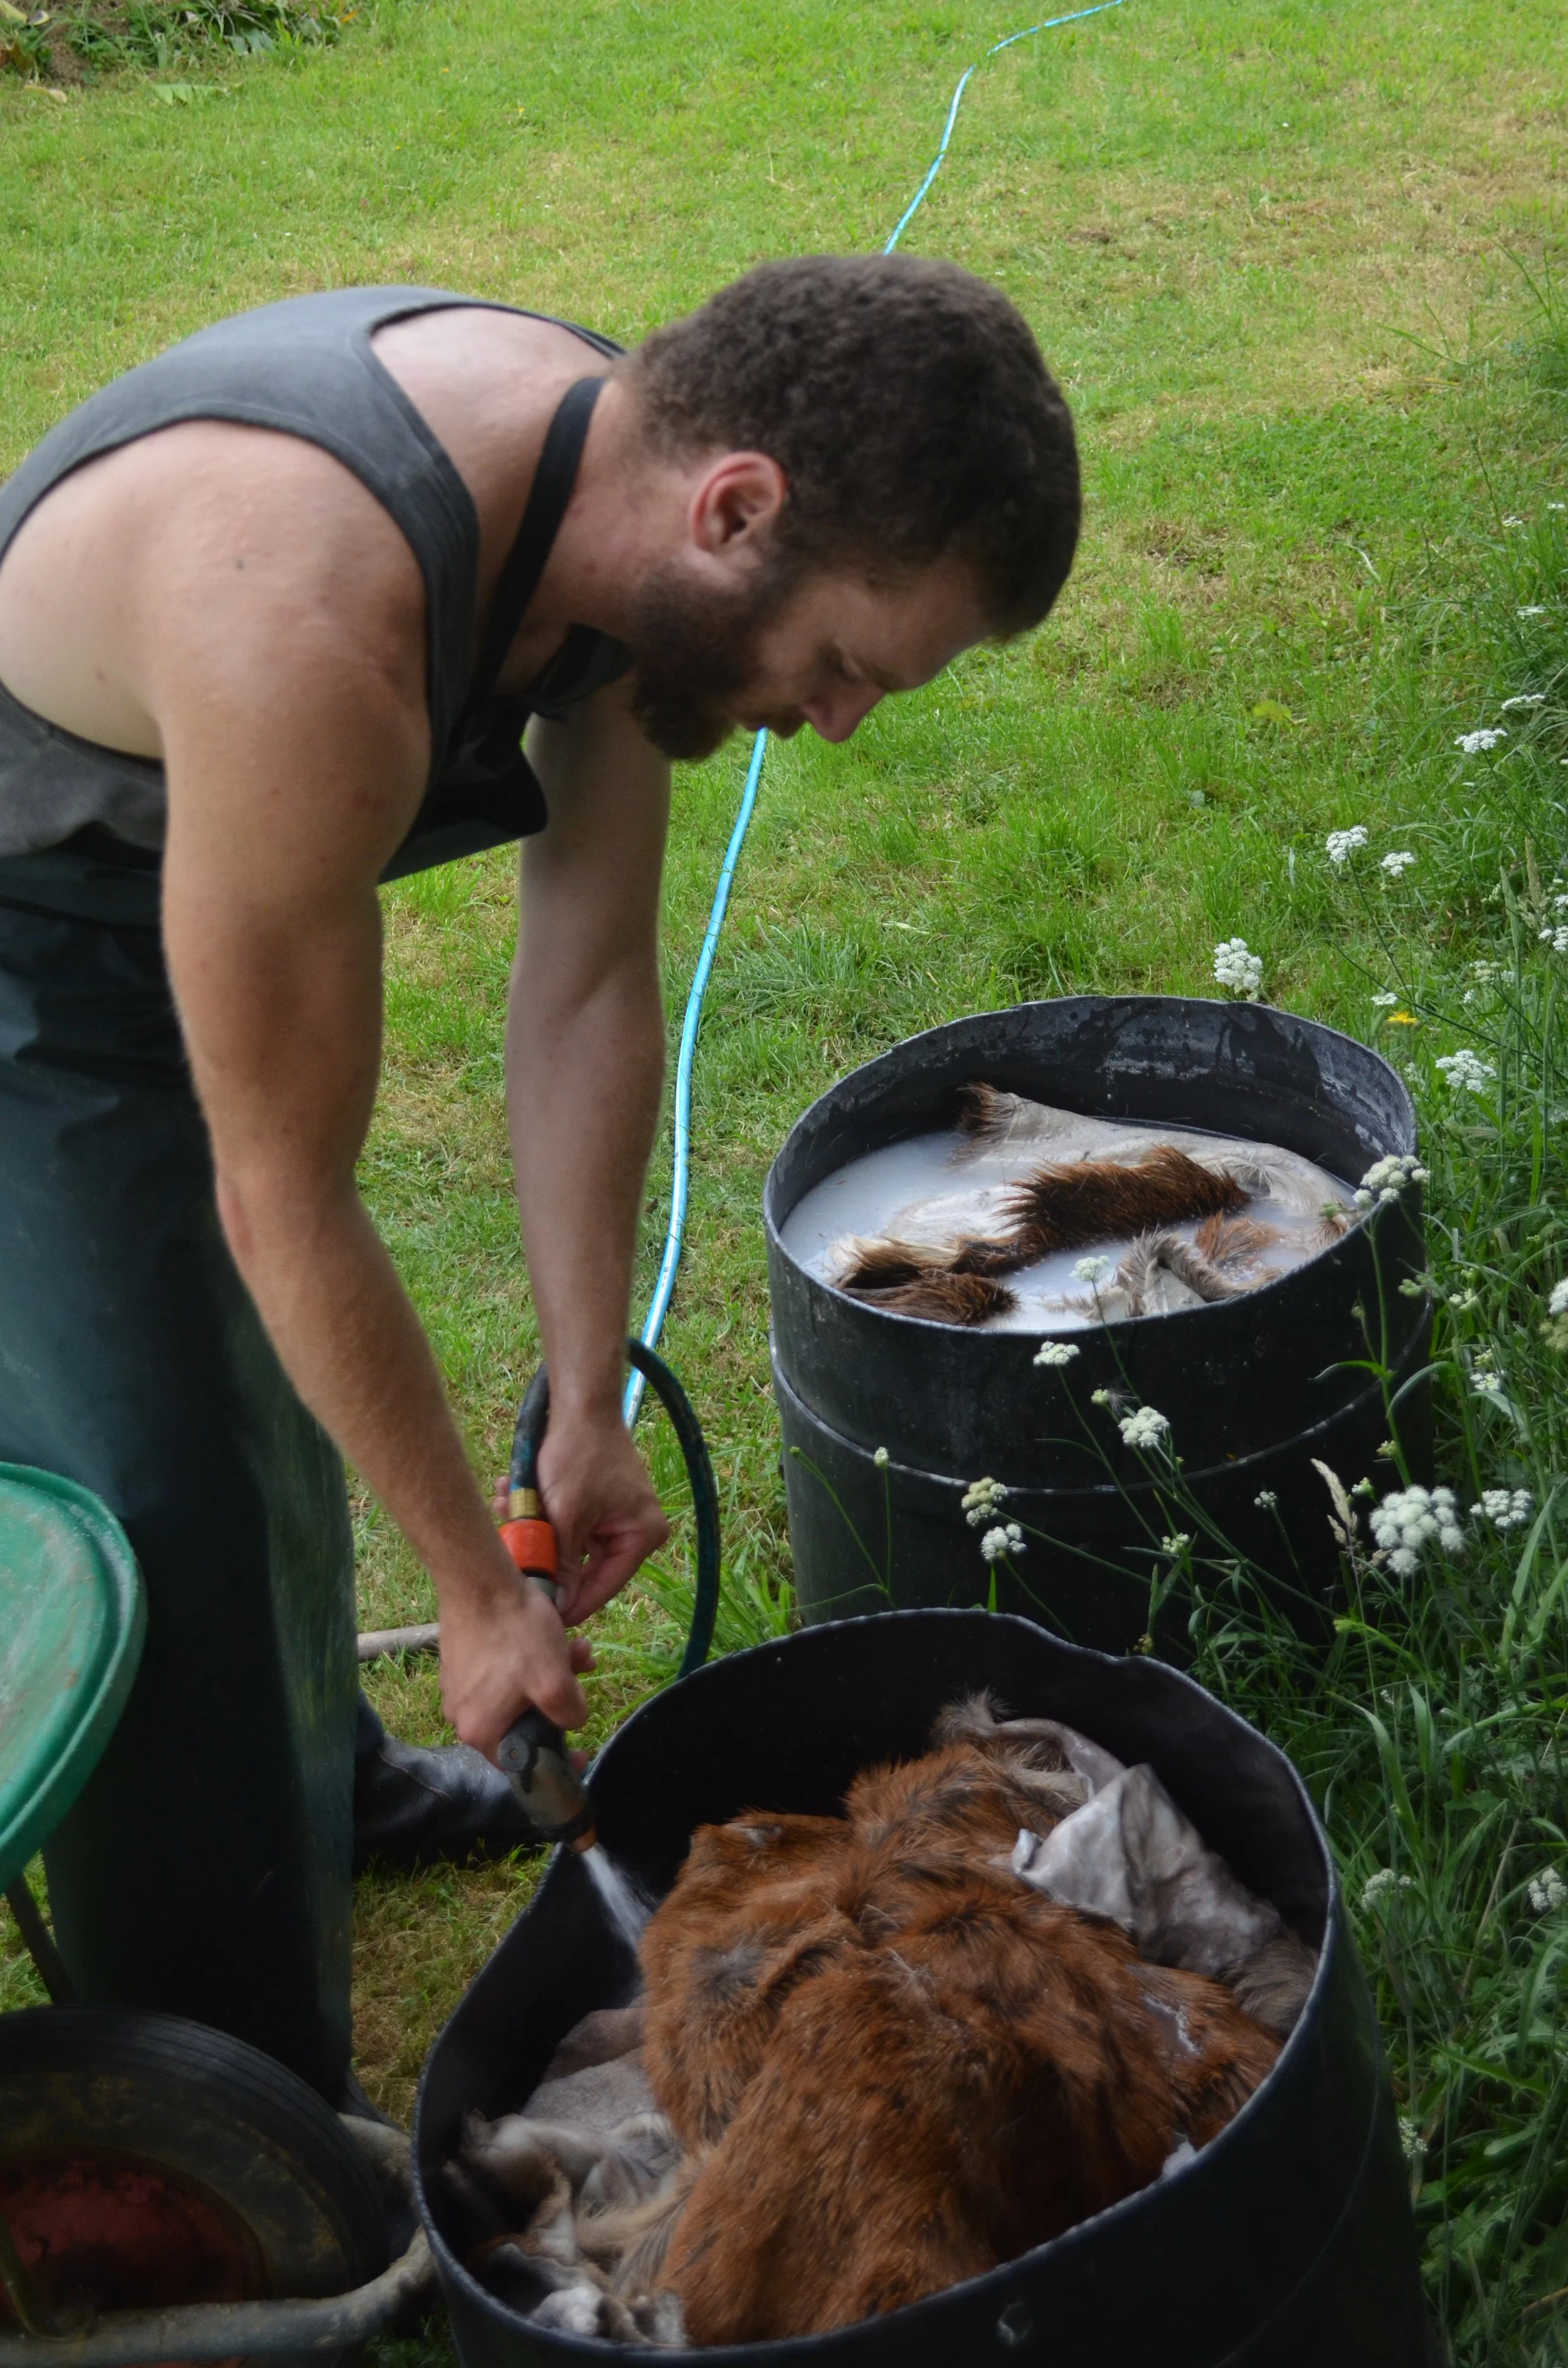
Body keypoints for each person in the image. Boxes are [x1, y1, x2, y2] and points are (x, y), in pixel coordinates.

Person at [0, 255, 1080, 2101]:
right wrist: (474, 1588)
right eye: (837, 667)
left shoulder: (625, 510)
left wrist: (583, 1401)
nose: (835, 726)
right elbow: (289, 1193)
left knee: (260, 1404)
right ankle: (226, 2116)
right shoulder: (307, 613)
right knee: (167, 1488)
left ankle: (331, 1785)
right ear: (736, 509)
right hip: (34, 955)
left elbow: (584, 979)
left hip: (211, 880)